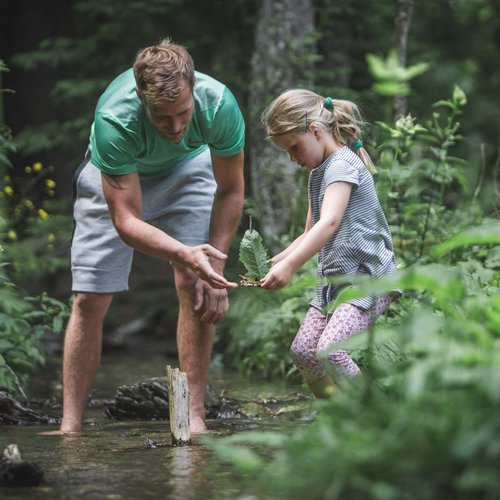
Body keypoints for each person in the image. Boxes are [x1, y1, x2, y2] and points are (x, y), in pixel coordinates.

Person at [54, 39, 245, 434]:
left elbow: (231, 191)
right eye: (162, 118)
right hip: (119, 175)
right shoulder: (115, 119)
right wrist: (184, 252)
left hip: (188, 169)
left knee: (194, 281)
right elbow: (126, 221)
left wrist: (214, 262)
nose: (175, 127)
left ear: (194, 88)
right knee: (90, 297)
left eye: (183, 114)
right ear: (142, 100)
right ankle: (69, 428)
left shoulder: (219, 104)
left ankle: (193, 417)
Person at [259, 89, 399, 398]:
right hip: (336, 282)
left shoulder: (341, 166)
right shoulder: (318, 174)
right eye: (287, 152)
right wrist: (272, 265)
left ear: (316, 130)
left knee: (330, 351)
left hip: (367, 278)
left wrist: (291, 267)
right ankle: (336, 417)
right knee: (304, 351)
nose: (293, 158)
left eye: (294, 148)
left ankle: (378, 417)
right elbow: (309, 233)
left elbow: (330, 223)